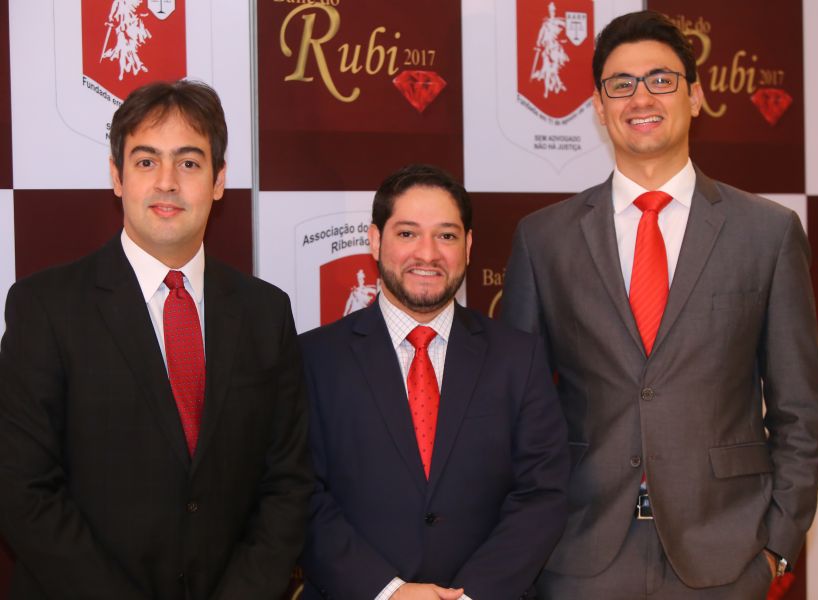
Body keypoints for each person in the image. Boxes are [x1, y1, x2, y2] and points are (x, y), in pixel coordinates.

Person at [502, 11, 818, 599]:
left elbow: (799, 411)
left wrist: (777, 547)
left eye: (661, 79)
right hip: (578, 555)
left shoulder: (768, 232)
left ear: (695, 96)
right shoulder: (542, 239)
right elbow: (516, 411)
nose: (641, 98)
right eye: (620, 84)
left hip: (725, 555)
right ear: (599, 107)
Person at [0, 80, 312, 599]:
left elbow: (288, 483)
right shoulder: (45, 307)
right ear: (116, 176)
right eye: (146, 161)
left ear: (219, 180)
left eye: (189, 163)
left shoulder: (266, 313)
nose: (167, 182)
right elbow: (22, 489)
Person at [298, 164, 569, 599]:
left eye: (446, 235)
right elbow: (301, 494)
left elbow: (542, 493)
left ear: (469, 246)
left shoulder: (519, 358)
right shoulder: (314, 358)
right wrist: (389, 592)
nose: (427, 254)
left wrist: (471, 594)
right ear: (374, 240)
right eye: (407, 233)